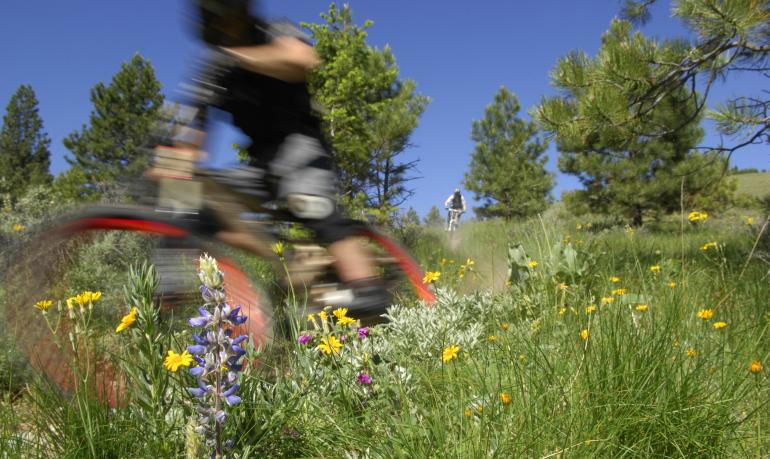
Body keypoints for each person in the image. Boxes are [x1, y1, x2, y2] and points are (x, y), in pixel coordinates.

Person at [161, 0, 389, 317]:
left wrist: (239, 56)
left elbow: (304, 59)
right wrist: (172, 170)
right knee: (191, 201)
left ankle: (369, 289)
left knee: (309, 202)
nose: (223, 31)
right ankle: (282, 262)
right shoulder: (215, 71)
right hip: (261, 163)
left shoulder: (271, 32)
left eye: (226, 21)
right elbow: (192, 140)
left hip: (301, 144)